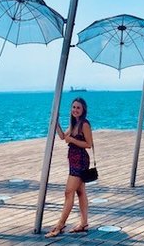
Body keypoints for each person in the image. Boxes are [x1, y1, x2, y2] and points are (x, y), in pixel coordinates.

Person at [45, 97, 93, 238]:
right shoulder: (74, 123)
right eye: (73, 107)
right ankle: (83, 224)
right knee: (80, 192)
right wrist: (56, 122)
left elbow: (88, 144)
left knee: (68, 192)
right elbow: (62, 136)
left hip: (81, 161)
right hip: (73, 161)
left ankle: (60, 225)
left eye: (78, 107)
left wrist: (72, 140)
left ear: (83, 109)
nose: (75, 110)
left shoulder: (84, 124)